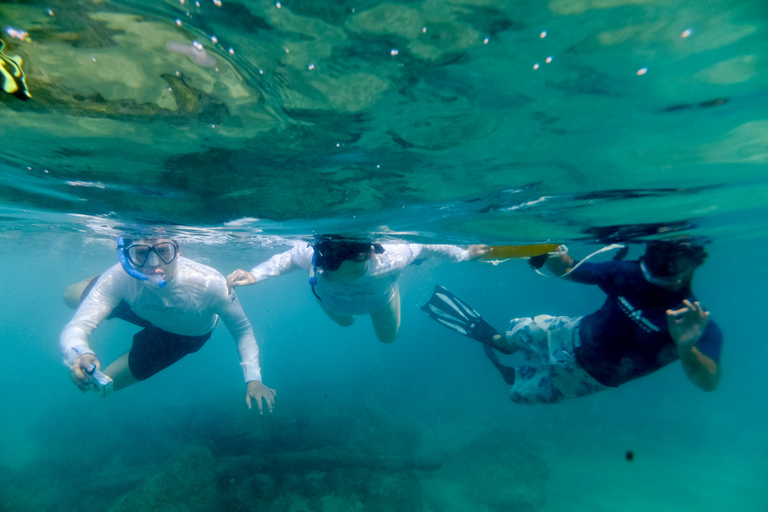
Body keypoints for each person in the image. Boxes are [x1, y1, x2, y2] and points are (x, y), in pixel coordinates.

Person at [422, 239, 722, 404]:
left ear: (694, 262)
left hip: (589, 376)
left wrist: (686, 347)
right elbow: (567, 270)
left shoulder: (695, 323)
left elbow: (708, 382)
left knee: (519, 395)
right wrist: (546, 246)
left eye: (674, 262)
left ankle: (515, 374)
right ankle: (497, 342)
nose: (661, 269)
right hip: (567, 332)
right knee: (508, 340)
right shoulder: (629, 274)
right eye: (656, 255)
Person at [60, 237, 276, 413]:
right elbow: (77, 327)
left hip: (183, 336)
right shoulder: (120, 276)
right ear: (128, 253)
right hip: (141, 307)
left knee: (103, 385)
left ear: (178, 249)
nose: (153, 264)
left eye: (163, 251)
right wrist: (79, 354)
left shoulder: (211, 283)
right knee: (70, 295)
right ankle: (100, 289)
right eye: (142, 253)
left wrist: (254, 379)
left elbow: (242, 331)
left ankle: (103, 293)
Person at [227, 236, 486, 343]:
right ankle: (319, 295)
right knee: (346, 323)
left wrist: (464, 254)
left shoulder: (394, 257)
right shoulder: (316, 258)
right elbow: (286, 259)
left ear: (367, 255)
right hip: (334, 302)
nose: (325, 269)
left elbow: (428, 247)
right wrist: (255, 274)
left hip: (381, 300)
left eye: (334, 264)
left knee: (387, 339)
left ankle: (391, 294)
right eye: (326, 263)